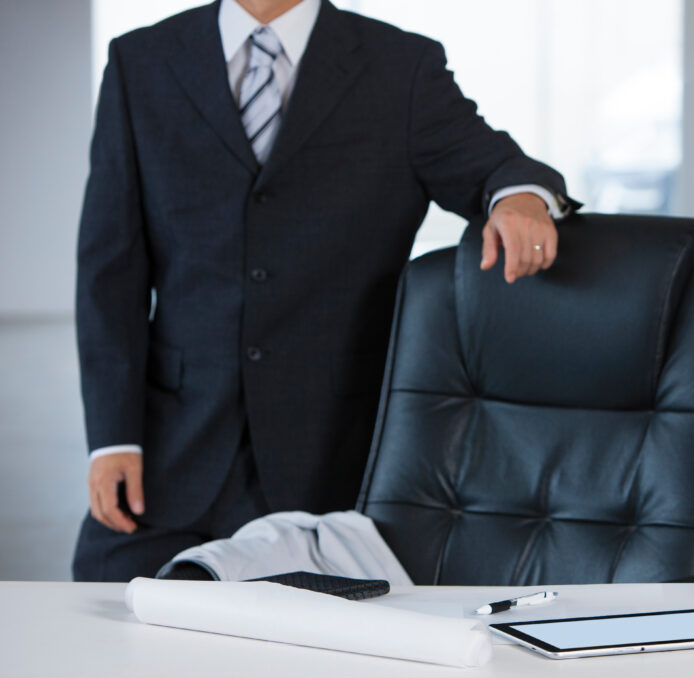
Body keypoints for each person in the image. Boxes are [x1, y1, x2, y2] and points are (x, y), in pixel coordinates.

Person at [74, 0, 576, 581]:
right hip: (169, 460)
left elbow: (501, 169)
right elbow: (110, 273)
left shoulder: (401, 66)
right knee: (102, 621)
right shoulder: (140, 61)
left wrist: (520, 200)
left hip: (332, 468)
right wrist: (112, 439)